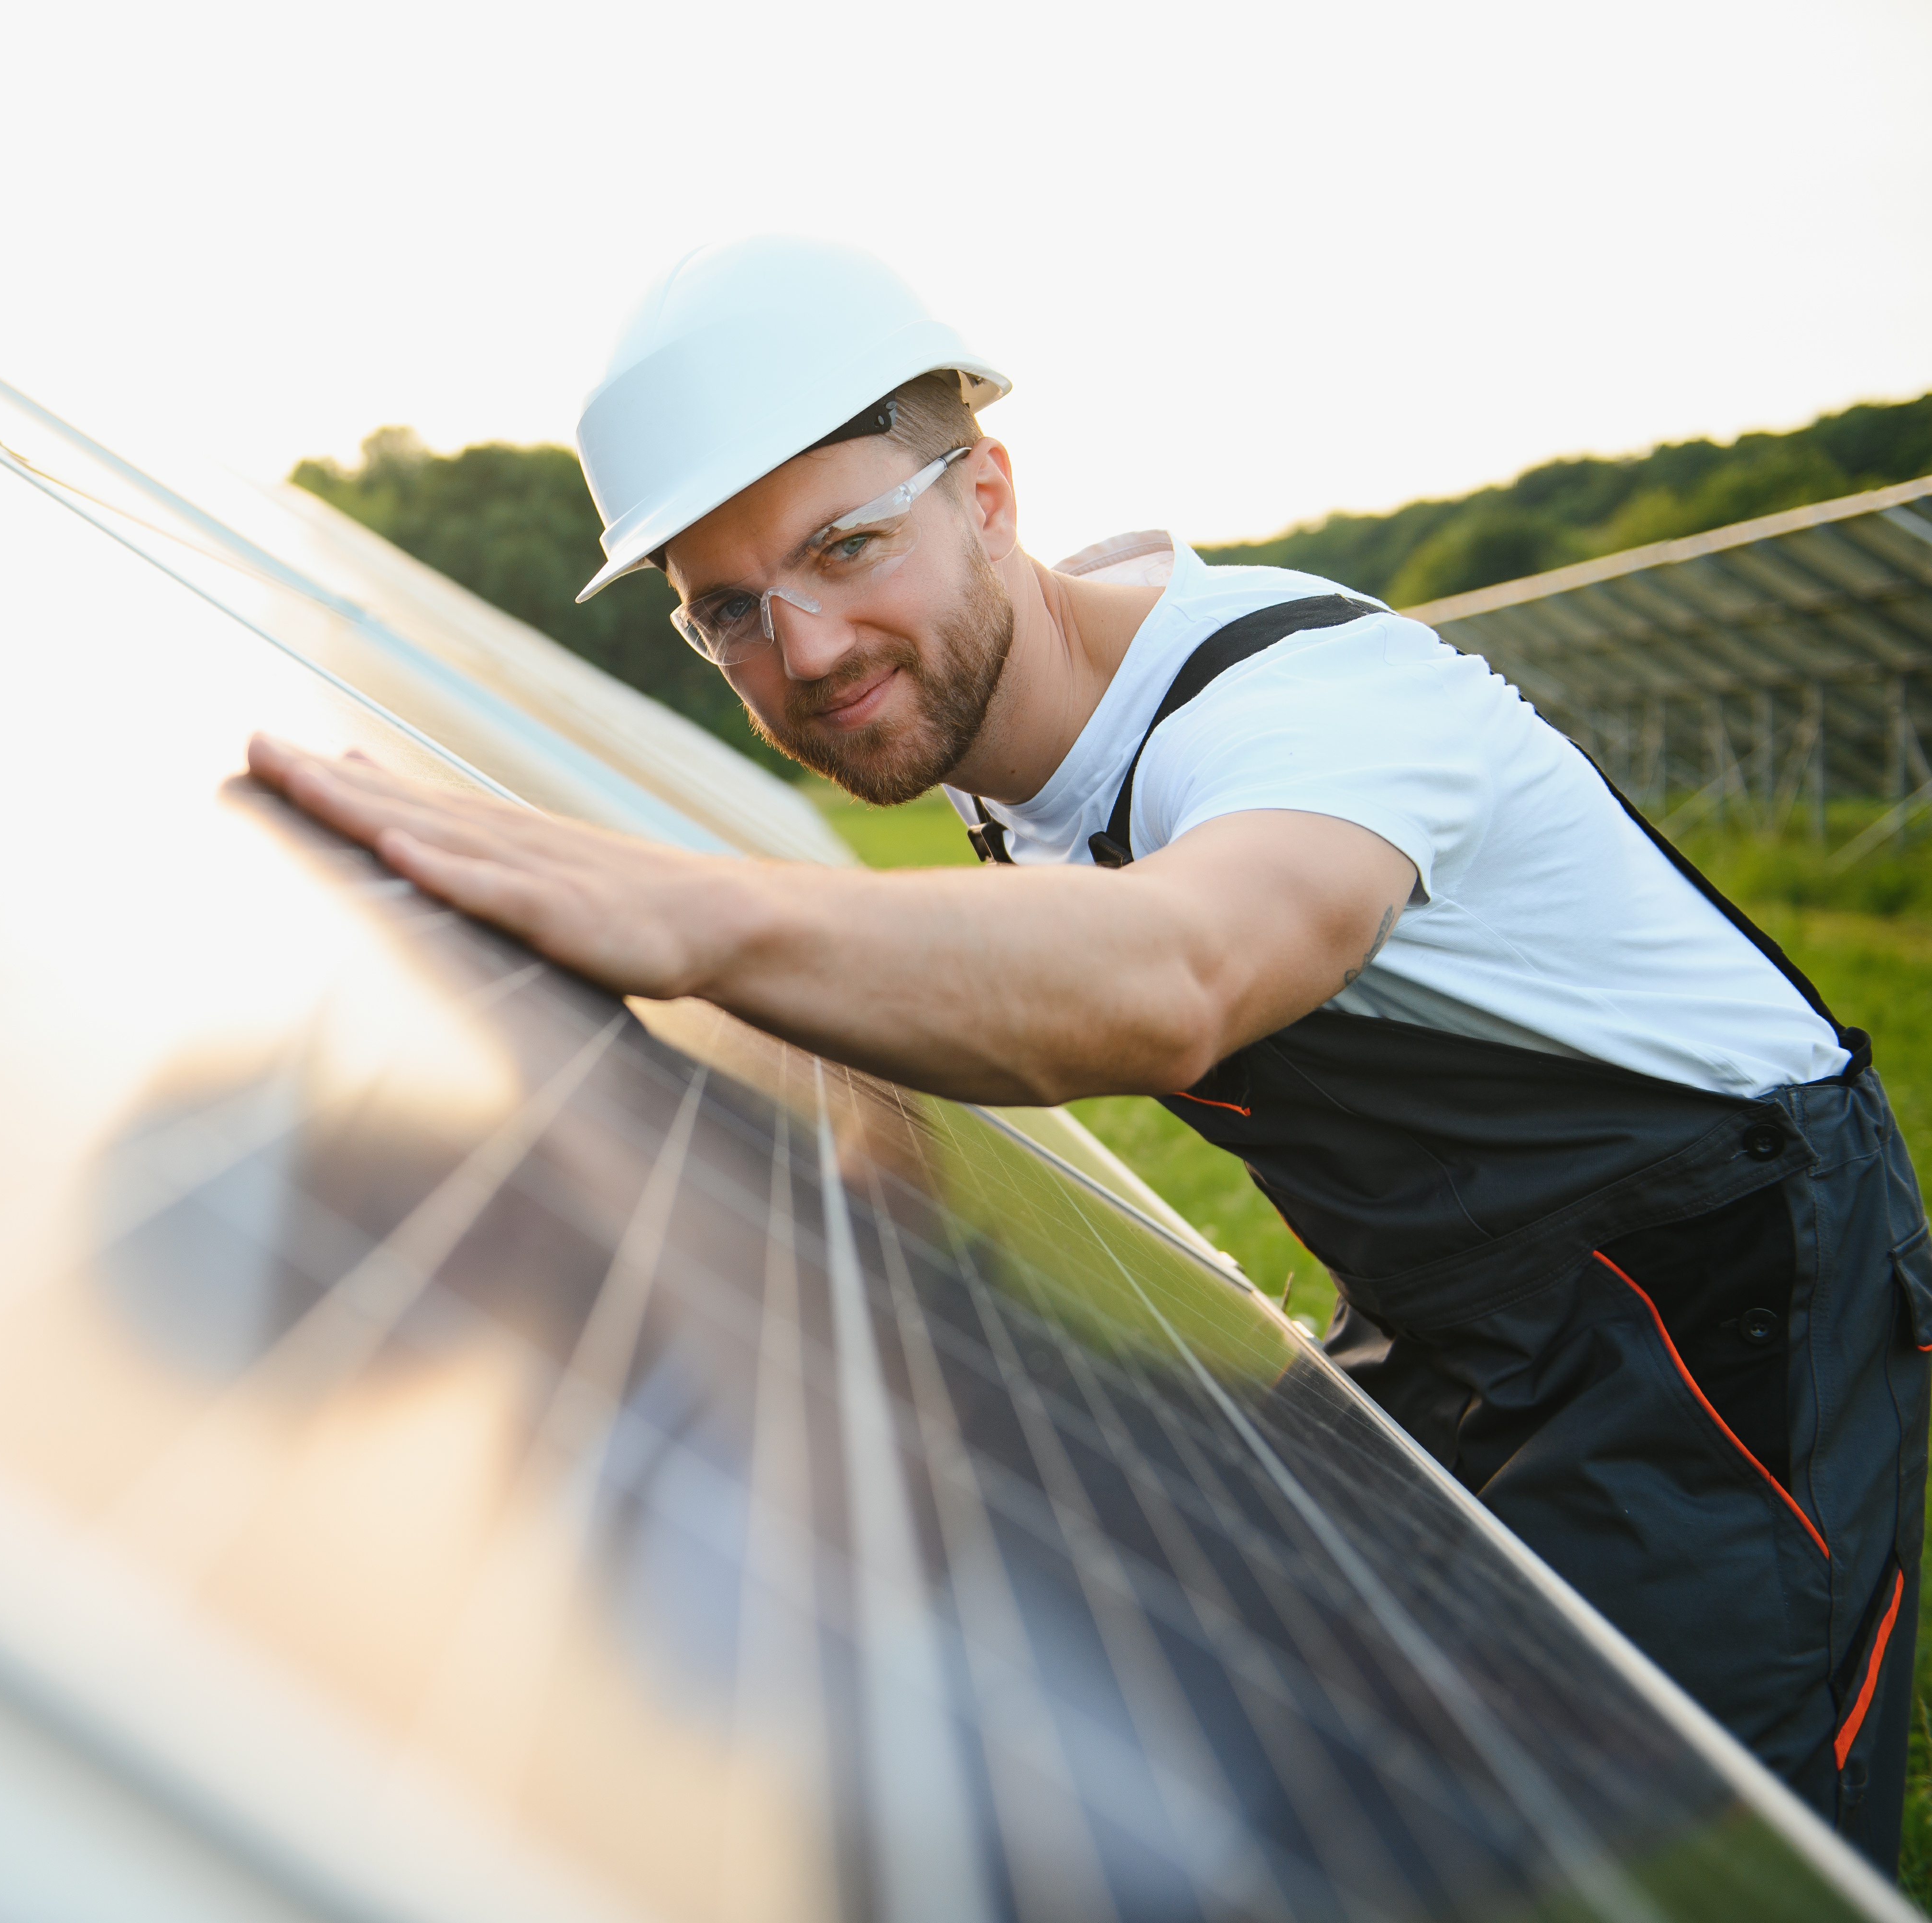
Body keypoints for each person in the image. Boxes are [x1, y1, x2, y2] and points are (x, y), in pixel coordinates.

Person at [249, 235, 1932, 1867]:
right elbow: (982, 984)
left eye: (846, 548)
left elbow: (1189, 966)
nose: (807, 654)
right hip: (1469, 1322)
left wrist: (696, 916)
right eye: (731, 613)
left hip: (1739, 1332)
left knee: (1714, 1843)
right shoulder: (1005, 752)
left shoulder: (1304, 707)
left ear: (988, 492)